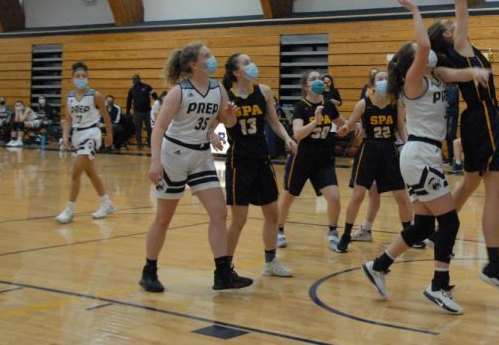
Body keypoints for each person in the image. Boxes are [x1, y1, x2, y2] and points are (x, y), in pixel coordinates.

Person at [362, 0, 490, 315]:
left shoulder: (434, 76)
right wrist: (417, 12)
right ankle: (439, 285)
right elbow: (422, 46)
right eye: (421, 51)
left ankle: (378, 266)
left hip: (422, 155)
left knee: (422, 226)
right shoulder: (413, 79)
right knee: (449, 221)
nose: (429, 52)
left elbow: (455, 75)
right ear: (413, 60)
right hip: (420, 154)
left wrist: (476, 74)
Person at [427, 0, 499, 294]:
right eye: (450, 25)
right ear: (448, 37)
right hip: (484, 120)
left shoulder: (454, 56)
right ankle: (493, 264)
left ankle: (439, 228)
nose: (456, 23)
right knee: (496, 195)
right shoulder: (459, 50)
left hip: (478, 121)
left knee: (469, 184)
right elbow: (462, 3)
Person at [140, 42, 252, 293]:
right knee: (163, 218)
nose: (212, 58)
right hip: (174, 156)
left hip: (201, 156)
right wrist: (155, 160)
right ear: (194, 64)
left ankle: (222, 273)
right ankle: (149, 270)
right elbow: (159, 127)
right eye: (207, 55)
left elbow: (228, 122)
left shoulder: (217, 88)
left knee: (219, 212)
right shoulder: (179, 92)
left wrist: (230, 113)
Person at [222, 53, 297, 278]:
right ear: (236, 72)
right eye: (246, 63)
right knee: (239, 219)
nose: (252, 64)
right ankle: (224, 268)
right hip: (239, 161)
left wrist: (287, 138)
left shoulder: (263, 91)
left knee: (272, 214)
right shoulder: (226, 96)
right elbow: (227, 124)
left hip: (262, 159)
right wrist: (224, 124)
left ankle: (270, 262)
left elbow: (274, 122)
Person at [335, 70, 412, 253]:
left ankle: (410, 234)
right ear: (372, 84)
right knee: (358, 195)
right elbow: (350, 123)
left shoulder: (397, 103)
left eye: (386, 79)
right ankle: (346, 235)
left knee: (401, 196)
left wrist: (409, 147)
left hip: (389, 150)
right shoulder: (363, 104)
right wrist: (344, 129)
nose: (384, 81)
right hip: (368, 150)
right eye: (380, 79)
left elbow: (401, 127)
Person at [276, 69, 347, 250]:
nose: (319, 81)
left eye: (320, 78)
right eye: (314, 79)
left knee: (335, 198)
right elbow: (298, 134)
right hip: (302, 159)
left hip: (323, 160)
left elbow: (343, 124)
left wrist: (355, 125)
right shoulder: (301, 106)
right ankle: (278, 230)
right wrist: (315, 121)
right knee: (288, 197)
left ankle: (332, 232)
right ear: (306, 85)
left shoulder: (329, 105)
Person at [54, 62, 116, 223]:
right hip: (77, 135)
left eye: (83, 76)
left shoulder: (95, 95)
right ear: (72, 79)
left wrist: (109, 135)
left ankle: (69, 210)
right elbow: (68, 120)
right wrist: (65, 137)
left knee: (76, 170)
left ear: (87, 78)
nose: (81, 79)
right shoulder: (69, 97)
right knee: (90, 172)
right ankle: (106, 203)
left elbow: (106, 116)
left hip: (91, 134)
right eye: (77, 76)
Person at [126, 74, 153, 149]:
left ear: (139, 79)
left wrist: (157, 103)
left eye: (136, 79)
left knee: (149, 128)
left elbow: (154, 94)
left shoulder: (147, 87)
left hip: (147, 111)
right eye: (133, 79)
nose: (135, 81)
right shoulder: (131, 90)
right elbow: (128, 101)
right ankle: (139, 144)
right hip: (137, 112)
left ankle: (150, 143)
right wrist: (128, 112)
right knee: (138, 128)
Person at [444, 83, 460, 172]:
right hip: (447, 112)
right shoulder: (446, 86)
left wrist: (442, 101)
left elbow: (451, 100)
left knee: (451, 135)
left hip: (452, 112)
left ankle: (454, 158)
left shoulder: (453, 86)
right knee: (447, 135)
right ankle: (451, 158)